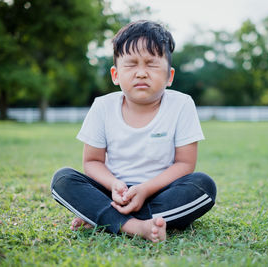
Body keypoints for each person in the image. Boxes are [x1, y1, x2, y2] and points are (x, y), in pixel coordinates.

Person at [50, 20, 216, 242]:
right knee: (62, 179)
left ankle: (102, 217)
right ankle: (137, 226)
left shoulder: (182, 105)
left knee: (203, 186)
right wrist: (114, 185)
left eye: (151, 64)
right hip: (112, 192)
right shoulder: (103, 106)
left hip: (160, 191)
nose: (141, 73)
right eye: (131, 64)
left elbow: (185, 164)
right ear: (115, 74)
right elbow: (92, 161)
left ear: (170, 76)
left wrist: (145, 189)